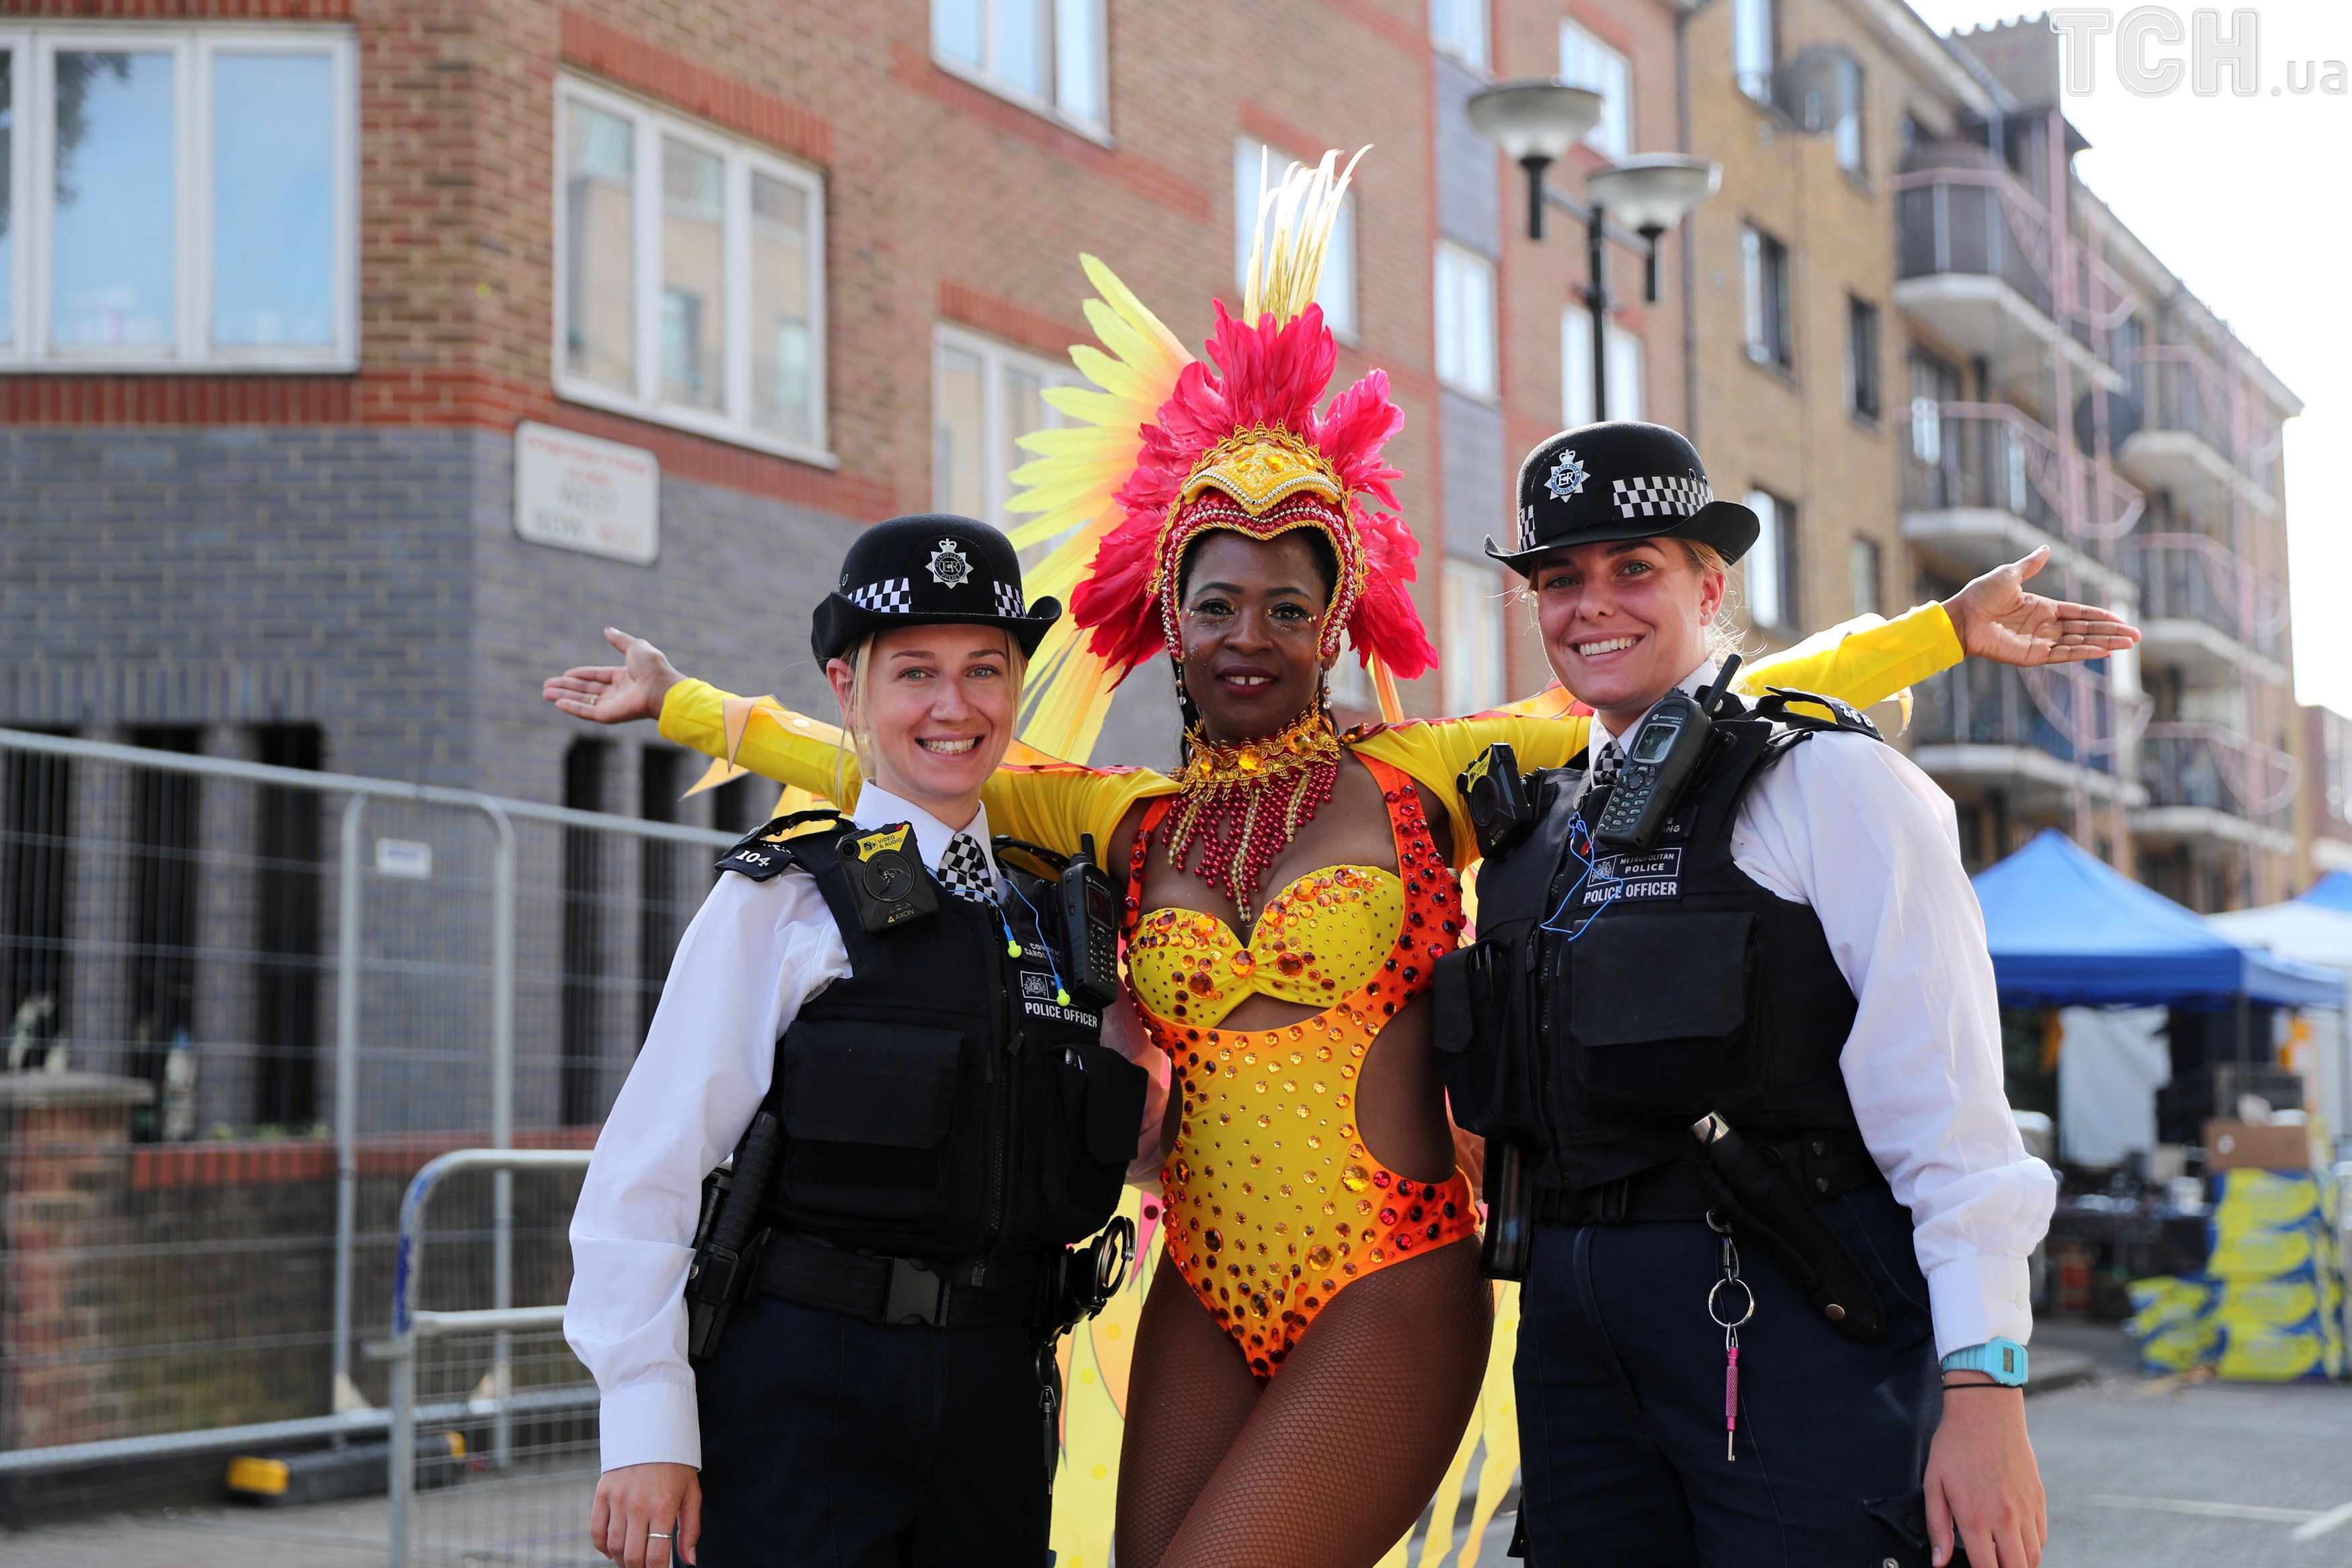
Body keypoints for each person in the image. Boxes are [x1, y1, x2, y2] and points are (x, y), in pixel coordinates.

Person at [546, 158, 2130, 1568]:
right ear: (1168, 621)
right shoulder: (1120, 818)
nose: (1249, 635)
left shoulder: (1423, 775)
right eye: (1216, 604)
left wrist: (1932, 633)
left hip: (1391, 1278)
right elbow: (909, 757)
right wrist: (689, 708)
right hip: (1199, 1290)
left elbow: (1680, 693)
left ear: (1335, 624)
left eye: (1287, 607)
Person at [1443, 423, 2090, 1568]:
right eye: (1560, 579)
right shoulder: (1534, 832)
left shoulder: (1827, 780)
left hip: (1789, 1327)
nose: (1593, 605)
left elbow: (1950, 1114)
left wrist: (1986, 1387)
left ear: (1710, 586)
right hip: (1575, 1344)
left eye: (1633, 567)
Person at [564, 513, 1148, 1568]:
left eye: (984, 669)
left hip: (997, 1408)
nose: (953, 706)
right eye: (915, 672)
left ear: (1018, 685)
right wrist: (647, 1421)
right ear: (848, 688)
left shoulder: (1064, 923)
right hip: (803, 1398)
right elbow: (649, 1167)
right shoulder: (784, 901)